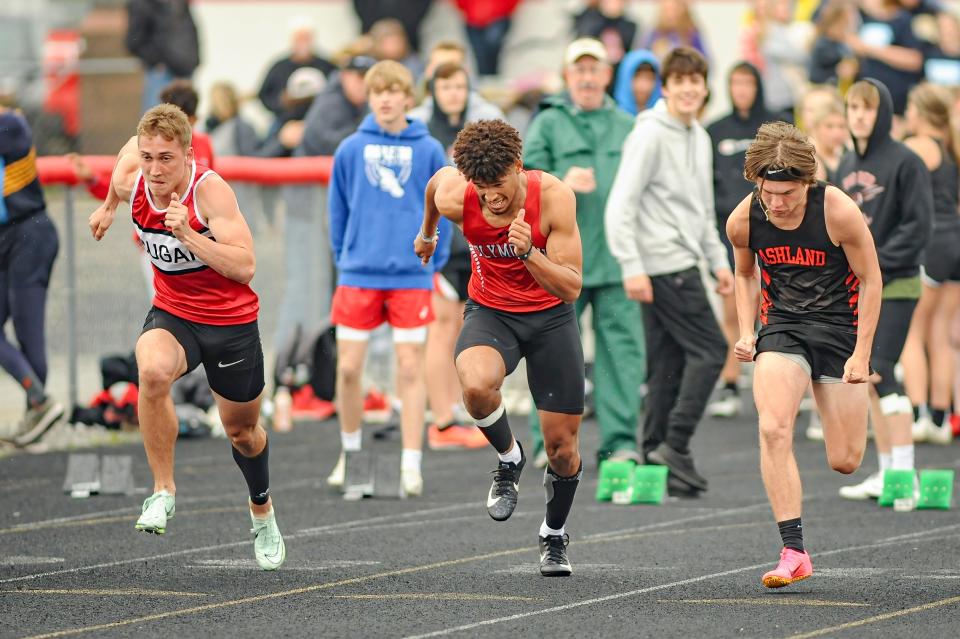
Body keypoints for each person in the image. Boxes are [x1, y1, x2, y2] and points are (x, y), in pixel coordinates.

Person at [86, 104, 285, 570]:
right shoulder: (134, 176)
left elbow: (245, 266)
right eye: (149, 156)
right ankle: (162, 491)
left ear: (188, 155)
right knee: (151, 370)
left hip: (230, 323)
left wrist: (189, 235)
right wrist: (110, 206)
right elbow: (123, 159)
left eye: (166, 159)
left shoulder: (209, 192)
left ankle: (262, 512)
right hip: (174, 313)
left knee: (243, 433)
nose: (155, 170)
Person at [415, 119, 585, 577]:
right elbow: (435, 186)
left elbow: (572, 287)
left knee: (562, 449)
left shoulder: (553, 198)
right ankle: (508, 458)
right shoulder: (461, 195)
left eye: (499, 186)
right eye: (482, 188)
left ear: (518, 165)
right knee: (474, 385)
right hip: (492, 312)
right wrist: (428, 233)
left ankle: (553, 534)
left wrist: (530, 252)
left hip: (551, 317)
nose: (492, 198)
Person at [727, 121, 881, 588]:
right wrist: (747, 331)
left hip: (840, 330)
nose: (777, 203)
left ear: (807, 184)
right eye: (768, 192)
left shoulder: (839, 212)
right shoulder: (743, 220)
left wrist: (862, 355)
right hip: (785, 328)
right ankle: (793, 550)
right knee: (773, 427)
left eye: (788, 193)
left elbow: (873, 279)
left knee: (846, 460)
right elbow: (744, 274)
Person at [605, 47, 731, 494]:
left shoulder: (699, 136)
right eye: (679, 82)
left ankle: (653, 457)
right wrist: (631, 265)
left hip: (683, 260)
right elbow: (621, 204)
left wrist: (718, 260)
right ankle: (675, 444)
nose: (689, 89)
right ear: (666, 88)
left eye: (695, 81)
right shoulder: (650, 134)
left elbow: (700, 211)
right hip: (663, 265)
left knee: (667, 366)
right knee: (713, 351)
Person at [326, 60, 450, 497]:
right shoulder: (349, 149)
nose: (384, 97)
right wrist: (346, 258)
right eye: (377, 90)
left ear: (407, 96)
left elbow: (446, 206)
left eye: (393, 90)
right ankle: (351, 454)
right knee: (347, 368)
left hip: (410, 277)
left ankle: (411, 463)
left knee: (410, 367)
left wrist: (434, 261)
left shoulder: (431, 149)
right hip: (359, 272)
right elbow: (337, 210)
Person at [523, 38, 644, 465]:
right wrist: (559, 179)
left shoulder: (629, 125)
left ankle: (621, 445)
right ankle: (548, 445)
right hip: (560, 267)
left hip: (615, 262)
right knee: (554, 357)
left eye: (595, 70)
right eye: (580, 70)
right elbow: (521, 183)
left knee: (622, 360)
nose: (588, 78)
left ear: (607, 76)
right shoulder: (549, 123)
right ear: (568, 76)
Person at [836, 79, 932, 501]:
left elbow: (918, 227)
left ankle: (905, 474)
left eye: (867, 107)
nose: (859, 114)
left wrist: (873, 265)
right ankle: (887, 471)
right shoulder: (842, 165)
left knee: (879, 369)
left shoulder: (906, 162)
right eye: (853, 106)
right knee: (869, 378)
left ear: (883, 112)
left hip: (897, 284)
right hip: (858, 288)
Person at [409, 61, 504, 449]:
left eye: (459, 86)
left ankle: (462, 412)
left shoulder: (480, 128)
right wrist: (427, 233)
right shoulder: (424, 133)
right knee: (441, 330)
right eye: (445, 85)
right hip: (444, 246)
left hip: (476, 244)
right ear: (433, 89)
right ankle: (442, 419)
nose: (453, 93)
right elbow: (427, 188)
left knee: (468, 331)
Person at [706, 62, 785, 418]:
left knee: (776, 306)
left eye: (747, 83)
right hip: (732, 229)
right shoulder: (714, 130)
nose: (741, 90)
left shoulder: (775, 126)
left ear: (757, 86)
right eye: (734, 83)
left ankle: (781, 383)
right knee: (733, 306)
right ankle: (730, 382)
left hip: (774, 228)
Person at [898, 83, 959, 445]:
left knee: (913, 330)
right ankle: (940, 416)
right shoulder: (952, 148)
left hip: (933, 242)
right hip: (954, 242)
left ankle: (920, 413)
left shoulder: (920, 145)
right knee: (943, 333)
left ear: (919, 111)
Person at [0, 105, 64, 446]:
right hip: (8, 240)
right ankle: (38, 405)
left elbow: (16, 130)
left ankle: (38, 405)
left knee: (28, 329)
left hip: (30, 236)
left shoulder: (10, 122)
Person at [256, 17, 335, 127]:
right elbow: (264, 95)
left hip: (321, 121)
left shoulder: (326, 66)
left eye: (306, 38)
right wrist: (280, 102)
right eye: (299, 38)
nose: (303, 43)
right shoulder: (279, 67)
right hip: (286, 122)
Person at [125, 0, 200, 115]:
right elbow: (133, 41)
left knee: (183, 123)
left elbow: (190, 30)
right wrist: (157, 62)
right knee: (156, 123)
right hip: (162, 74)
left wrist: (194, 60)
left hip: (185, 69)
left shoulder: (179, 4)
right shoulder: (142, 4)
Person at [612, 49, 662, 116]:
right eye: (637, 77)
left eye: (650, 78)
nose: (644, 85)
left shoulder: (662, 117)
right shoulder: (612, 118)